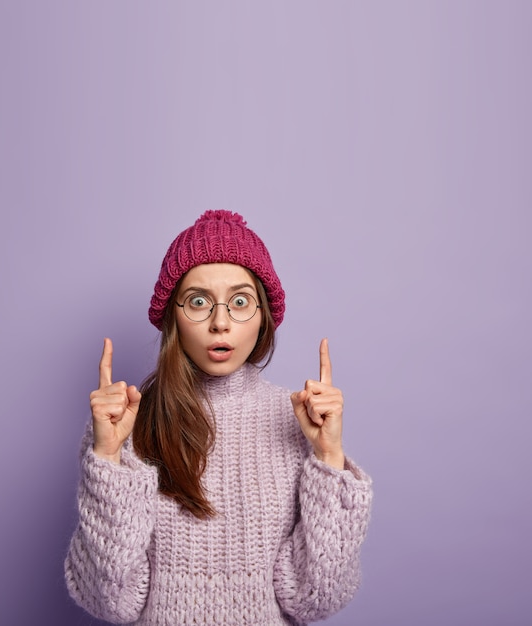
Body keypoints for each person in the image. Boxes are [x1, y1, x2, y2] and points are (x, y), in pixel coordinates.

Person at [65, 210, 372, 625]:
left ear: (263, 315)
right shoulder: (126, 422)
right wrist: (107, 458)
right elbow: (109, 602)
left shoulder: (300, 421)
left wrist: (329, 457)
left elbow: (314, 599)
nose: (221, 322)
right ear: (172, 316)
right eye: (198, 302)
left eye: (241, 301)